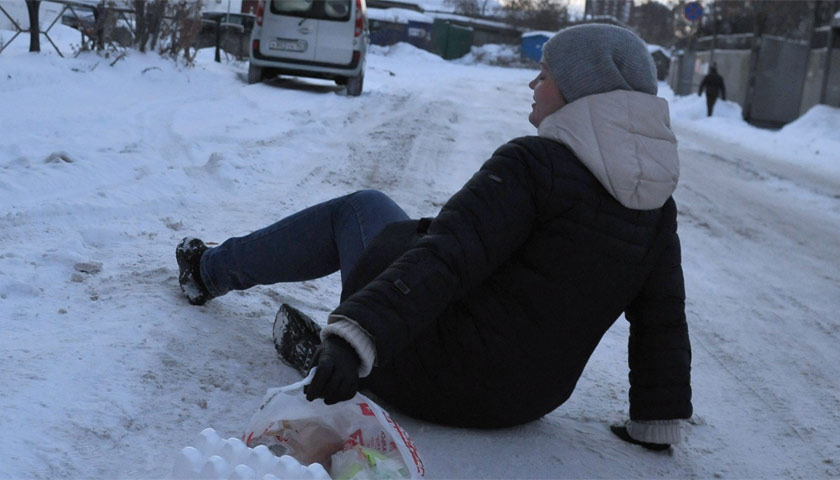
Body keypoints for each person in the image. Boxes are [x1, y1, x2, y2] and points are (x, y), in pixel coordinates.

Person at [176, 24, 692, 451]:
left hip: (435, 377)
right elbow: (661, 317)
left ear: (580, 91)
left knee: (364, 209)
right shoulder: (654, 204)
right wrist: (656, 421)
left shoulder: (533, 165)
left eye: (545, 74)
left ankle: (207, 271)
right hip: (527, 402)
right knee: (415, 229)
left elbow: (447, 257)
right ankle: (351, 342)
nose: (533, 85)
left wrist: (357, 340)